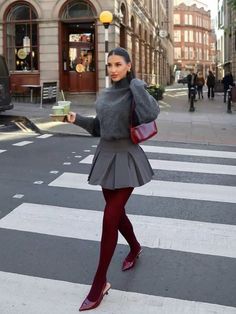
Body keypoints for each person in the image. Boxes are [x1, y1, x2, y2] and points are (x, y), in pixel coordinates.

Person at [67, 47, 160, 311]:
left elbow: (151, 114)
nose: (113, 69)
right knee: (116, 215)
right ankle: (135, 247)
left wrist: (138, 86)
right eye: (110, 65)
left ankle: (99, 283)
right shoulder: (105, 94)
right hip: (105, 156)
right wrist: (77, 120)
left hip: (127, 158)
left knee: (109, 217)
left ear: (128, 66)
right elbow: (99, 127)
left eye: (118, 64)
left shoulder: (135, 91)